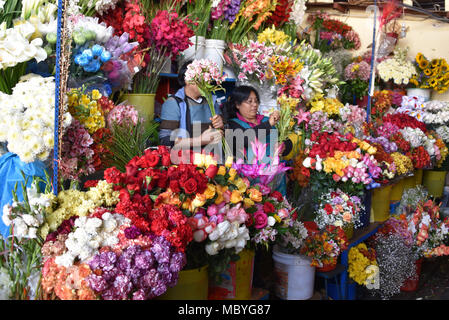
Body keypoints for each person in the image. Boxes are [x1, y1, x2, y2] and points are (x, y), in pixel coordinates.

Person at [159, 60, 225, 151]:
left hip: (211, 158)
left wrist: (221, 126)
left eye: (208, 78)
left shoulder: (212, 101)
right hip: (185, 160)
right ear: (188, 80)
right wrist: (200, 140)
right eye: (202, 78)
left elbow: (224, 131)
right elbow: (166, 141)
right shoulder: (174, 103)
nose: (207, 82)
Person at [222, 85, 293, 163]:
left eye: (256, 101)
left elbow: (287, 140)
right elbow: (244, 139)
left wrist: (284, 146)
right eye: (249, 101)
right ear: (237, 104)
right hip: (250, 172)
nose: (255, 104)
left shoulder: (265, 119)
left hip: (274, 170)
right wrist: (268, 124)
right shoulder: (232, 124)